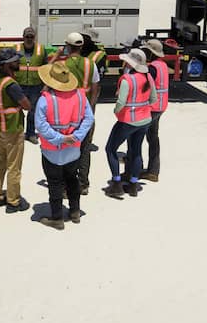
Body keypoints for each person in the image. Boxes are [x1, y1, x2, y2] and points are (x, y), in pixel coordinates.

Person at [35, 61, 94, 230]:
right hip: (74, 149)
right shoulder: (81, 96)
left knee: (54, 183)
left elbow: (41, 125)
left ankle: (57, 218)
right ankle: (75, 211)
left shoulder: (44, 100)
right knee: (72, 178)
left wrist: (60, 138)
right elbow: (89, 118)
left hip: (51, 150)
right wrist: (76, 136)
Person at [52, 32, 101, 194]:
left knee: (68, 149)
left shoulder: (63, 65)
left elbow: (53, 83)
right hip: (85, 111)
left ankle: (68, 186)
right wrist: (91, 109)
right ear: (81, 47)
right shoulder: (90, 64)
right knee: (85, 148)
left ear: (68, 46)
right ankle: (83, 183)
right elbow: (95, 88)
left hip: (69, 113)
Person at [104, 48, 156, 199]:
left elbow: (121, 101)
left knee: (110, 149)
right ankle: (133, 183)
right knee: (136, 150)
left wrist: (117, 111)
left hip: (128, 120)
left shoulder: (128, 79)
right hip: (145, 119)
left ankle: (116, 183)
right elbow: (153, 99)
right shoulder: (148, 77)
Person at [0, 49, 32, 213]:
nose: (18, 62)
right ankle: (13, 201)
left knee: (1, 163)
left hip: (0, 129)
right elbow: (27, 105)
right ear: (7, 65)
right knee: (14, 167)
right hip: (13, 130)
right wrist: (22, 104)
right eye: (15, 60)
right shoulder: (11, 85)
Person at [15, 27, 50, 144]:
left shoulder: (41, 49)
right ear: (23, 37)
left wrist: (45, 85)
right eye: (27, 37)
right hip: (19, 85)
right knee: (17, 110)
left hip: (36, 85)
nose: (29, 39)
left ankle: (30, 133)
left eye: (31, 37)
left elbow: (46, 68)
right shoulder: (16, 49)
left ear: (34, 38)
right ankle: (19, 134)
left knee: (33, 111)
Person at [142, 39, 170, 183]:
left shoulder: (152, 68)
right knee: (153, 137)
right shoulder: (163, 65)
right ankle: (153, 171)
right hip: (161, 106)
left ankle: (134, 169)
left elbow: (145, 85)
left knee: (136, 137)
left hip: (151, 107)